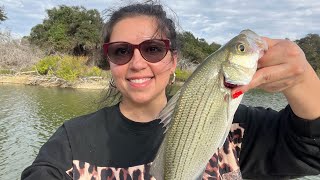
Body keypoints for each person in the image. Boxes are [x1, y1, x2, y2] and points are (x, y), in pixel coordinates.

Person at [21, 2, 320, 180]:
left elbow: (312, 149)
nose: (137, 63)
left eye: (153, 49)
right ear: (109, 62)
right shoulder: (71, 141)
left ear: (174, 58)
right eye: (121, 51)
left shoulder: (240, 126)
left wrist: (302, 78)